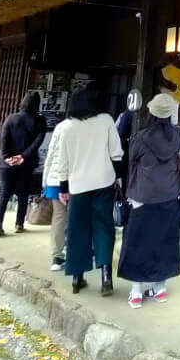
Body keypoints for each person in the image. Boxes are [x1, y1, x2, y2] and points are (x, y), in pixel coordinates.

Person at [46, 87, 123, 295]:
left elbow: (62, 160)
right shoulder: (106, 120)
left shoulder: (67, 127)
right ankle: (106, 276)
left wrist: (63, 187)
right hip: (103, 182)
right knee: (104, 227)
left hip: (77, 185)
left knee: (78, 229)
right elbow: (116, 153)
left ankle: (77, 277)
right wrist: (117, 178)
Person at [118, 92, 180, 309]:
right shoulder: (177, 136)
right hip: (170, 194)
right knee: (164, 242)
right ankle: (160, 288)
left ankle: (137, 292)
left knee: (138, 242)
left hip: (143, 195)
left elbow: (131, 163)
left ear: (152, 112)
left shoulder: (141, 138)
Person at [0, 92, 46, 237]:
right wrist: (23, 156)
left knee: (4, 194)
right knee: (23, 194)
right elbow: (38, 142)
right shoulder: (40, 120)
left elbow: (3, 138)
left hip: (7, 164)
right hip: (26, 163)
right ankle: (19, 224)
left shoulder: (11, 118)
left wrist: (6, 157)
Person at [39, 119, 68, 271]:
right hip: (73, 180)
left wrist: (45, 179)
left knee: (59, 217)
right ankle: (73, 251)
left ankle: (57, 257)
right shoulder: (85, 127)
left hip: (54, 178)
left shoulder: (60, 127)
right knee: (76, 216)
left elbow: (50, 154)